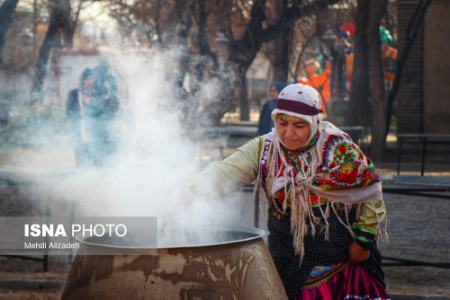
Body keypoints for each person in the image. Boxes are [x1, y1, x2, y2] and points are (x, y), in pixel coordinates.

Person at [202, 83, 388, 299]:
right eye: (282, 123)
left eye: (299, 125)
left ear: (315, 122)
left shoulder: (339, 150)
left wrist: (363, 241)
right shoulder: (265, 149)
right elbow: (223, 174)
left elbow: (370, 191)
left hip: (334, 260)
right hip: (283, 249)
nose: (288, 133)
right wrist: (184, 193)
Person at [67, 65, 119, 166]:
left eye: (92, 79)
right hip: (79, 129)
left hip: (93, 129)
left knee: (96, 155)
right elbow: (69, 112)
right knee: (81, 157)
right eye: (88, 79)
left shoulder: (97, 94)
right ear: (83, 80)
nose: (90, 82)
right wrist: (79, 117)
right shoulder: (74, 93)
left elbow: (103, 110)